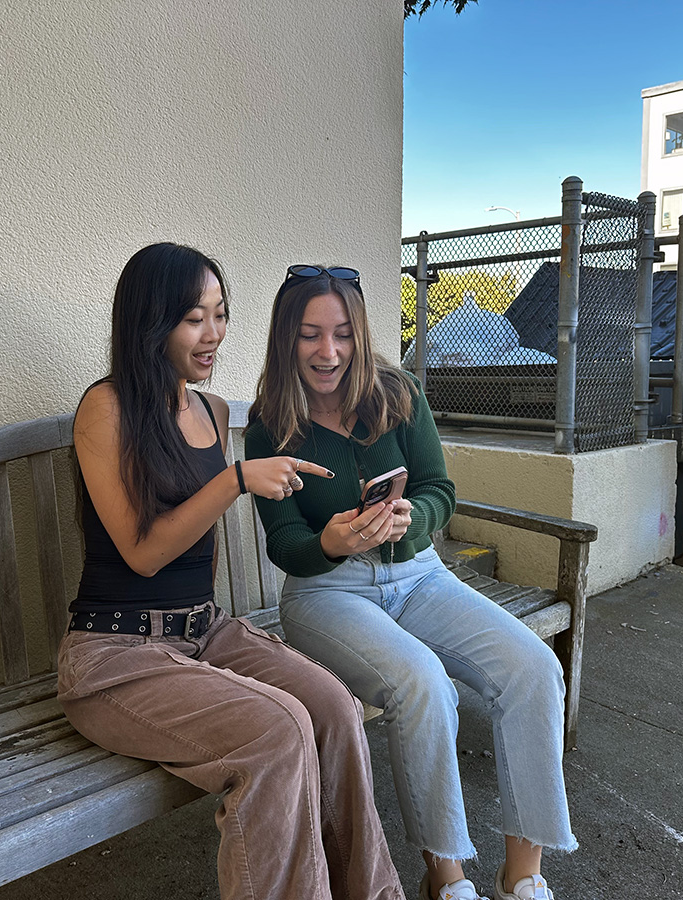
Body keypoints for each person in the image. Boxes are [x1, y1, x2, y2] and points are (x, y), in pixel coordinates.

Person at [57, 244, 405, 900]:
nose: (214, 333)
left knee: (331, 706)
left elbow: (199, 562)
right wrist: (236, 479)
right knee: (280, 732)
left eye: (221, 315)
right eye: (195, 318)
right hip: (114, 657)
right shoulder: (105, 410)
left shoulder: (213, 412)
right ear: (150, 323)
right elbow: (143, 553)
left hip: (202, 633)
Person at [245, 265, 577, 900]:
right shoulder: (271, 424)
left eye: (343, 333)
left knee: (534, 668)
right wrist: (329, 542)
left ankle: (523, 875)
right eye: (310, 334)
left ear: (361, 333)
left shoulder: (398, 394)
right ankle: (445, 878)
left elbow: (438, 491)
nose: (329, 351)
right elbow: (285, 543)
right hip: (328, 592)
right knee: (422, 683)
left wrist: (413, 517)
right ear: (286, 339)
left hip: (420, 574)